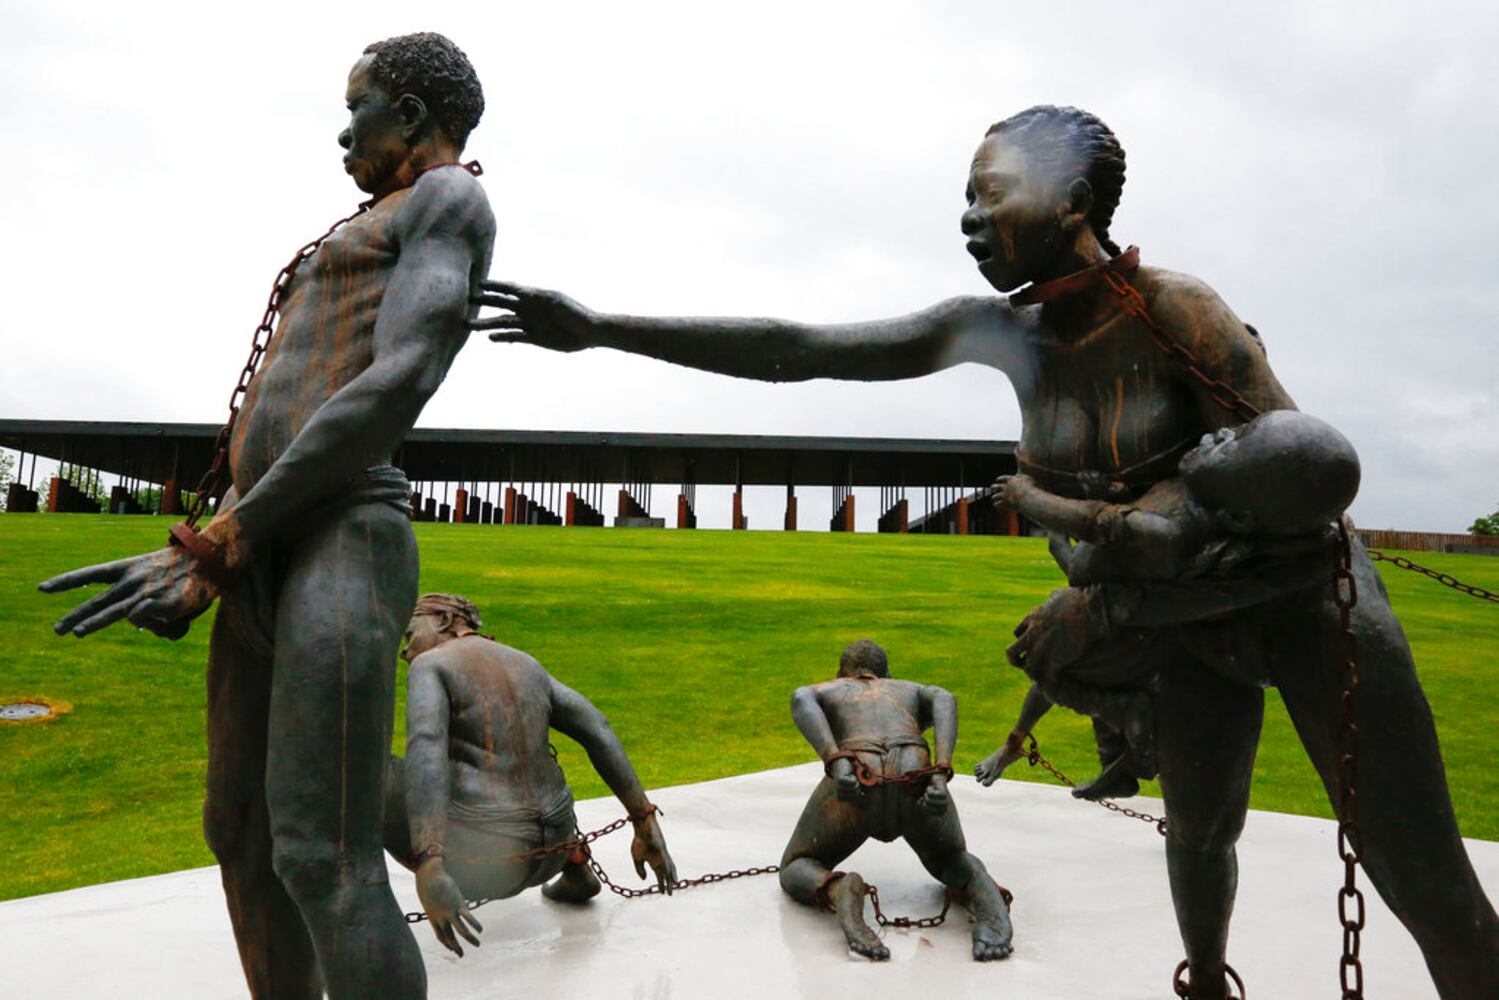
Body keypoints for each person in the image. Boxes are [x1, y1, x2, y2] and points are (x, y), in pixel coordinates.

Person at [470, 105, 1498, 998]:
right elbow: (802, 347)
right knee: (1196, 836)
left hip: (1302, 605)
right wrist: (605, 328)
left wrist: (1101, 607)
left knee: (1416, 872)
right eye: (960, 199)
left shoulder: (1178, 310)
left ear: (1073, 203)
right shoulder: (998, 331)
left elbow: (1298, 498)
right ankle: (1206, 981)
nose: (966, 218)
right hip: (1177, 622)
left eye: (988, 193)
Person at [38, 33, 495, 1000]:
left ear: (409, 114)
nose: (343, 130)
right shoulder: (369, 221)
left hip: (342, 534)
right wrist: (217, 548)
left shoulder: (450, 199)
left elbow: (397, 378)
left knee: (322, 852)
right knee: (239, 831)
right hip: (262, 538)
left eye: (358, 106)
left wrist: (226, 539)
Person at [976, 409, 1360, 802]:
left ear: (1241, 514)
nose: (1220, 433)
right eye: (1237, 432)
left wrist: (1027, 497)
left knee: (1045, 663)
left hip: (1115, 610)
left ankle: (1125, 717)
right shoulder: (1200, 495)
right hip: (1111, 602)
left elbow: (1097, 526)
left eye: (1234, 445)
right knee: (1063, 663)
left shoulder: (1175, 529)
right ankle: (1117, 749)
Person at [384, 593, 677, 957]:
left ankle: (366, 902)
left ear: (443, 621)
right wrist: (644, 822)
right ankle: (574, 865)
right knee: (530, 768)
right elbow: (598, 729)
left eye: (409, 635)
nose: (405, 651)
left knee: (370, 770)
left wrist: (429, 864)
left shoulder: (431, 665)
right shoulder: (526, 664)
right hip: (549, 850)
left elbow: (425, 749)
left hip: (481, 863)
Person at [778, 640, 1012, 962]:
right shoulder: (908, 688)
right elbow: (945, 698)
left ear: (840, 674)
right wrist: (940, 771)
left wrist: (836, 759)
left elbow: (800, 697)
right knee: (950, 859)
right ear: (887, 674)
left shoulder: (831, 689)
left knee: (795, 865)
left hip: (859, 771)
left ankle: (837, 888)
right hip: (915, 769)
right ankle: (986, 899)